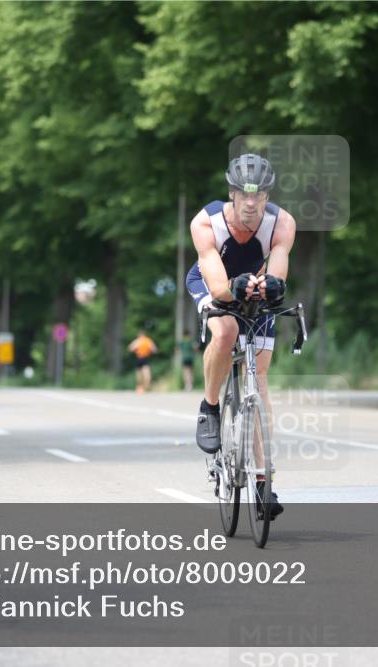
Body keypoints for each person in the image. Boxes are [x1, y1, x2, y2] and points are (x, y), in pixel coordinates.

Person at [185, 152, 296, 520]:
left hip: (252, 289)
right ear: (232, 193)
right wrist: (236, 286)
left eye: (259, 195)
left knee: (259, 381)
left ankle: (264, 483)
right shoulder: (206, 222)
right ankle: (211, 407)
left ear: (267, 196)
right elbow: (218, 287)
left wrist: (272, 287)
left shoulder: (282, 223)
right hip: (213, 282)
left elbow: (277, 275)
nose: (251, 203)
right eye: (244, 194)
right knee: (227, 328)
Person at [127, 330, 158, 394]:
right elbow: (154, 349)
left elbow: (130, 348)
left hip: (139, 358)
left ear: (139, 335)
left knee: (139, 373)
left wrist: (135, 350)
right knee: (146, 372)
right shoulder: (148, 340)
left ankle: (139, 386)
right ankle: (146, 385)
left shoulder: (138, 341)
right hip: (146, 358)